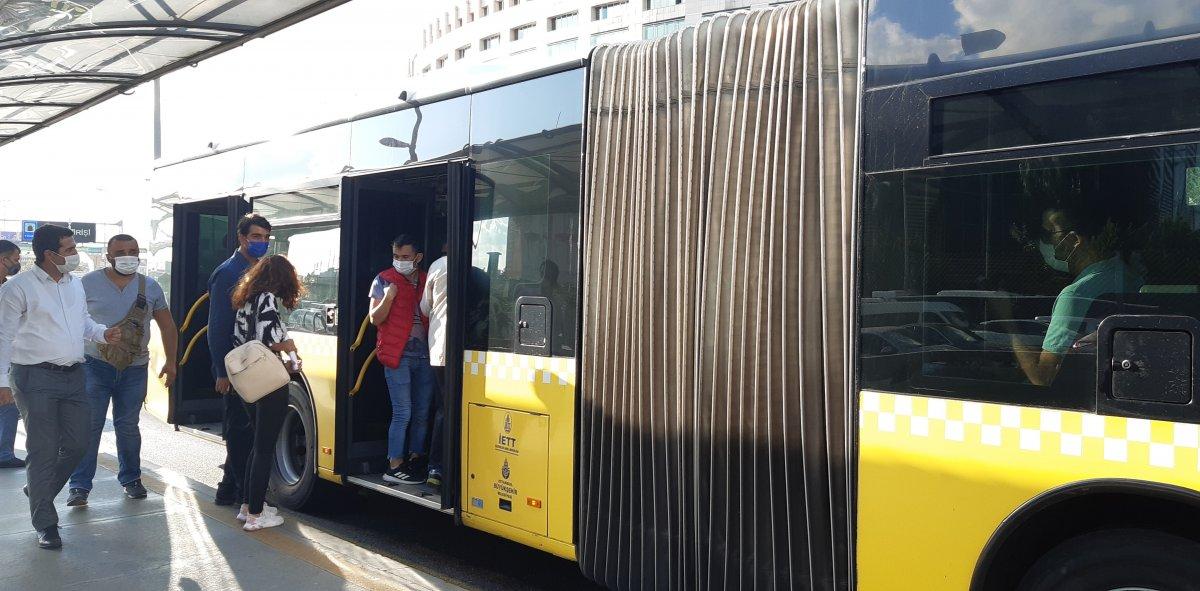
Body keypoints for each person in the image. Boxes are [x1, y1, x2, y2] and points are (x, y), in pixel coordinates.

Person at [0, 225, 120, 549]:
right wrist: (1, 383)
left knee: (79, 443)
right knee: (43, 450)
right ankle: (46, 524)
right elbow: (3, 337)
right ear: (49, 255)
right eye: (68, 250)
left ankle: (40, 488)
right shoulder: (18, 289)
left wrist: (102, 333)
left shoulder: (74, 285)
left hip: (73, 375)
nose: (74, 254)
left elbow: (83, 324)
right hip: (32, 377)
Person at [65, 235, 177, 506]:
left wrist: (172, 362)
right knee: (90, 427)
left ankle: (131, 479)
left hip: (134, 368)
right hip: (94, 366)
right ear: (109, 255)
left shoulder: (150, 287)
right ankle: (79, 487)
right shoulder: (87, 283)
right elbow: (71, 322)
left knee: (127, 426)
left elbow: (168, 326)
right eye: (121, 252)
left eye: (133, 251)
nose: (128, 256)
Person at [1010, 205, 1144, 386]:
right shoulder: (1128, 276)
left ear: (1073, 240)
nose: (1046, 241)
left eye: (1050, 232)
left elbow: (1042, 379)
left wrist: (1008, 325)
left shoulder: (1075, 294)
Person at [230, 254, 303, 531]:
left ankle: (247, 506)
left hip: (248, 380)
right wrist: (288, 345)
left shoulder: (246, 299)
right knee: (264, 447)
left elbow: (240, 339)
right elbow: (268, 339)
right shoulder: (269, 299)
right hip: (269, 382)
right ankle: (256, 515)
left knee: (256, 445)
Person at [208, 214, 272, 507]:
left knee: (246, 429)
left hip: (254, 362)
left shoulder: (258, 270)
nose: (261, 242)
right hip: (237, 365)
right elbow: (218, 326)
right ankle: (246, 495)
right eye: (256, 237)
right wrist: (222, 371)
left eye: (265, 237)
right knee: (240, 429)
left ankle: (227, 488)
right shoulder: (229, 272)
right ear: (242, 238)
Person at [369, 235, 435, 485]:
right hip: (397, 356)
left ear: (417, 258)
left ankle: (416, 458)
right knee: (403, 412)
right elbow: (375, 318)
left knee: (421, 412)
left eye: (405, 257)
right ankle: (394, 463)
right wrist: (389, 296)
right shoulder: (384, 279)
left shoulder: (429, 279)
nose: (400, 262)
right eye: (396, 257)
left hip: (425, 355)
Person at [420, 244, 448, 487]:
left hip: (440, 350)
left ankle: (435, 468)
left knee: (443, 408)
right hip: (475, 353)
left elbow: (425, 308)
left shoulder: (437, 266)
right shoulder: (478, 272)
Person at [0, 239, 24, 469]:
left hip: (9, 354)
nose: (17, 264)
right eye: (15, 259)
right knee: (7, 405)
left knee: (8, 406)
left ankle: (4, 452)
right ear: (3, 259)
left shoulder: (8, 287)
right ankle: (4, 454)